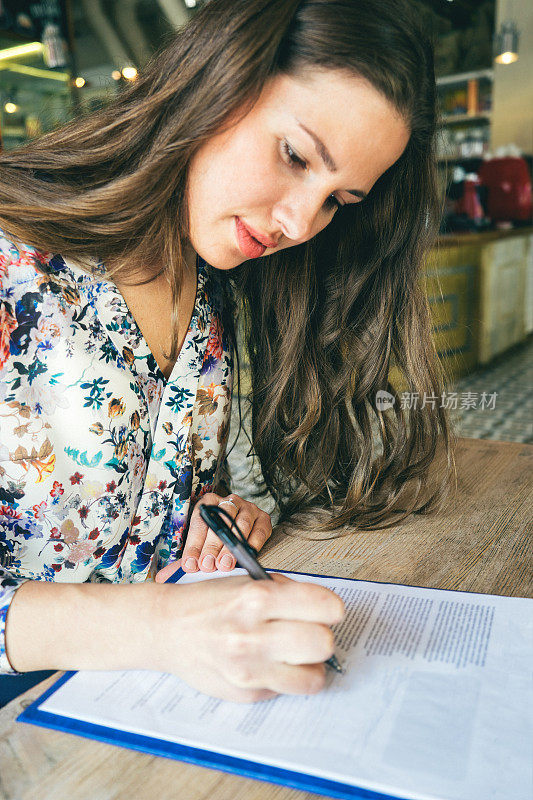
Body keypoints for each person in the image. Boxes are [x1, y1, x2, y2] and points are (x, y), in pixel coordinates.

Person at [0, 0, 453, 705]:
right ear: (213, 83)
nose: (301, 223)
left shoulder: (212, 285)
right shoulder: (12, 266)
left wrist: (212, 517)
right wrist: (159, 627)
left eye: (340, 199)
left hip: (137, 705)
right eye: (295, 155)